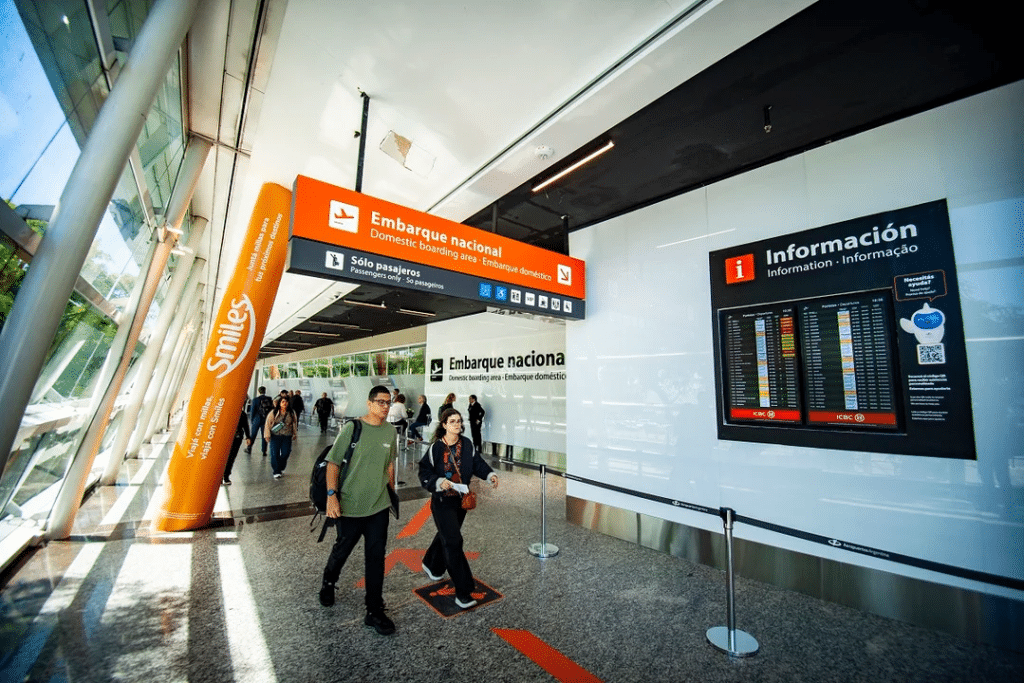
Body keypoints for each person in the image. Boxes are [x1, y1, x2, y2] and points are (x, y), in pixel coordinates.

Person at [319, 386, 398, 636]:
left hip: (378, 507)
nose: (385, 407)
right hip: (350, 507)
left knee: (376, 559)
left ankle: (374, 610)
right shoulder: (353, 428)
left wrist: (392, 492)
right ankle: (329, 581)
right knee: (342, 550)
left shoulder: (391, 431)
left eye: (389, 402)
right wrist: (332, 497)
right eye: (381, 402)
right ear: (369, 403)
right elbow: (333, 464)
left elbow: (389, 465)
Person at [418, 408, 498, 609]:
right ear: (444, 425)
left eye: (459, 421)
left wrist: (489, 475)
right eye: (452, 421)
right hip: (442, 502)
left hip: (461, 501)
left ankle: (431, 563)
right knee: (453, 541)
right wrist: (437, 482)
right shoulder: (436, 448)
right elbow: (424, 471)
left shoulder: (467, 444)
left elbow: (477, 463)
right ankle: (463, 591)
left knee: (447, 535)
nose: (457, 424)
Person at [264, 395, 297, 479]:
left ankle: (281, 466)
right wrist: (267, 435)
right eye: (283, 402)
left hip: (287, 436)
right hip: (275, 436)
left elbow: (294, 423)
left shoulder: (291, 412)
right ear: (279, 403)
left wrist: (294, 434)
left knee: (286, 452)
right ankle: (276, 471)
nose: (284, 403)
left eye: (286, 402)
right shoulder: (274, 412)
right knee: (274, 453)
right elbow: (268, 424)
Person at [223, 406, 250, 485]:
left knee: (231, 457)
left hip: (236, 438)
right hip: (225, 437)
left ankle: (226, 476)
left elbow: (246, 426)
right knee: (224, 457)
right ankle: (221, 476)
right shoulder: (226, 413)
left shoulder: (242, 414)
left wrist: (248, 437)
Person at [247, 386, 274, 455]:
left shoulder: (255, 400)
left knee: (253, 435)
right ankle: (264, 451)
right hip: (265, 420)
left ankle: (249, 448)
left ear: (259, 391)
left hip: (257, 419)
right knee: (264, 435)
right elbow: (271, 410)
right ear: (265, 391)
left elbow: (252, 411)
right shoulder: (269, 399)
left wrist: (252, 420)